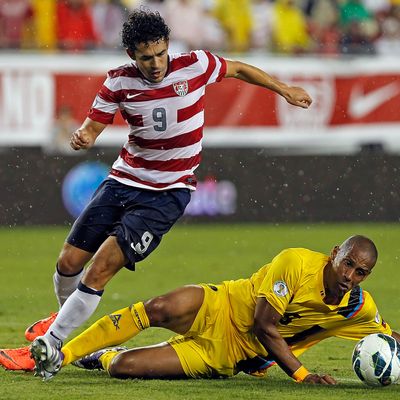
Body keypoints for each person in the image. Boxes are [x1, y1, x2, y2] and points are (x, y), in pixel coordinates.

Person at [18, 8, 312, 379]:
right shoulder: (118, 83)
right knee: (67, 264)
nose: (155, 64)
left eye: (160, 54)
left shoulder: (196, 65)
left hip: (168, 192)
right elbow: (94, 127)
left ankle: (54, 342)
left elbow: (238, 68)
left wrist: (284, 89)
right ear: (131, 56)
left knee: (102, 267)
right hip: (123, 180)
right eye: (146, 57)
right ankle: (64, 319)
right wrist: (84, 137)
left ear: (168, 46)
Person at [2, 235, 398, 384]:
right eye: (347, 263)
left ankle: (104, 354)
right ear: (334, 255)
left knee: (124, 370)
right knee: (158, 307)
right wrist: (302, 375)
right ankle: (61, 354)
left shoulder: (357, 309)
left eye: (361, 272)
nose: (350, 275)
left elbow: (389, 336)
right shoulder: (296, 262)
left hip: (224, 355)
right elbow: (264, 324)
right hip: (222, 303)